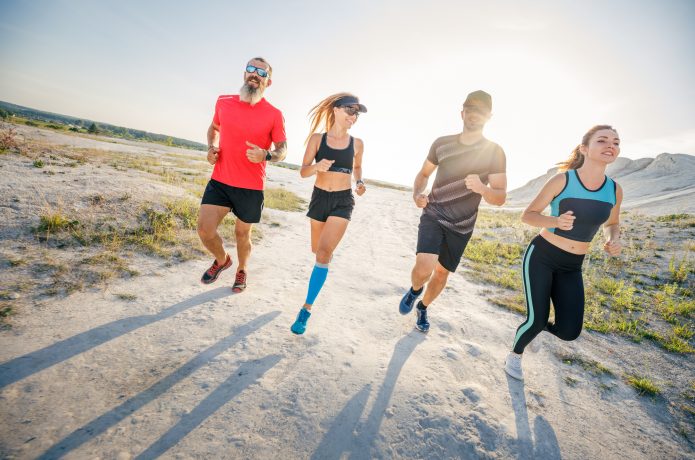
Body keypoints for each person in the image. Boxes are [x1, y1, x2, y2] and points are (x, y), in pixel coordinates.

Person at [504, 125, 623, 381]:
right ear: (584, 148)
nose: (610, 145)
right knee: (536, 319)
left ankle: (535, 331)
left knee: (569, 331)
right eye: (602, 140)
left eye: (615, 142)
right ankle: (515, 354)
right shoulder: (563, 180)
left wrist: (613, 240)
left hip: (572, 265)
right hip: (542, 256)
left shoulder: (614, 189)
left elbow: (612, 224)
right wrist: (555, 222)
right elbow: (528, 215)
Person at [398, 90, 507, 332]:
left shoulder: (494, 152)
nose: (474, 114)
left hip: (462, 225)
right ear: (462, 112)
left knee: (440, 275)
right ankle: (415, 290)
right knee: (424, 267)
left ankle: (423, 307)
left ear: (489, 116)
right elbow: (424, 174)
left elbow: (499, 196)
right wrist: (417, 193)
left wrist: (481, 188)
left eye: (481, 111)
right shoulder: (442, 143)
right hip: (434, 214)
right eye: (471, 108)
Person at [197, 57, 287, 293]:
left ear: (268, 81)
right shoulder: (224, 101)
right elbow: (213, 128)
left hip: (250, 186)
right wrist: (210, 148)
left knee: (241, 233)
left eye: (261, 72)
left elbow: (282, 150)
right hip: (220, 181)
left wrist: (266, 155)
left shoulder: (274, 114)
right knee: (205, 230)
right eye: (251, 69)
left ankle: (242, 269)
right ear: (244, 74)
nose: (255, 74)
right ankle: (222, 260)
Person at [290, 93, 367, 334]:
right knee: (317, 250)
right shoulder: (317, 139)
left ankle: (306, 310)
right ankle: (323, 264)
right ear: (336, 109)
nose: (353, 116)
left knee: (323, 253)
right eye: (350, 110)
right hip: (319, 198)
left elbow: (357, 167)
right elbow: (303, 171)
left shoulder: (357, 144)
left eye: (357, 113)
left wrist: (360, 181)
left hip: (343, 201)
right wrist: (316, 167)